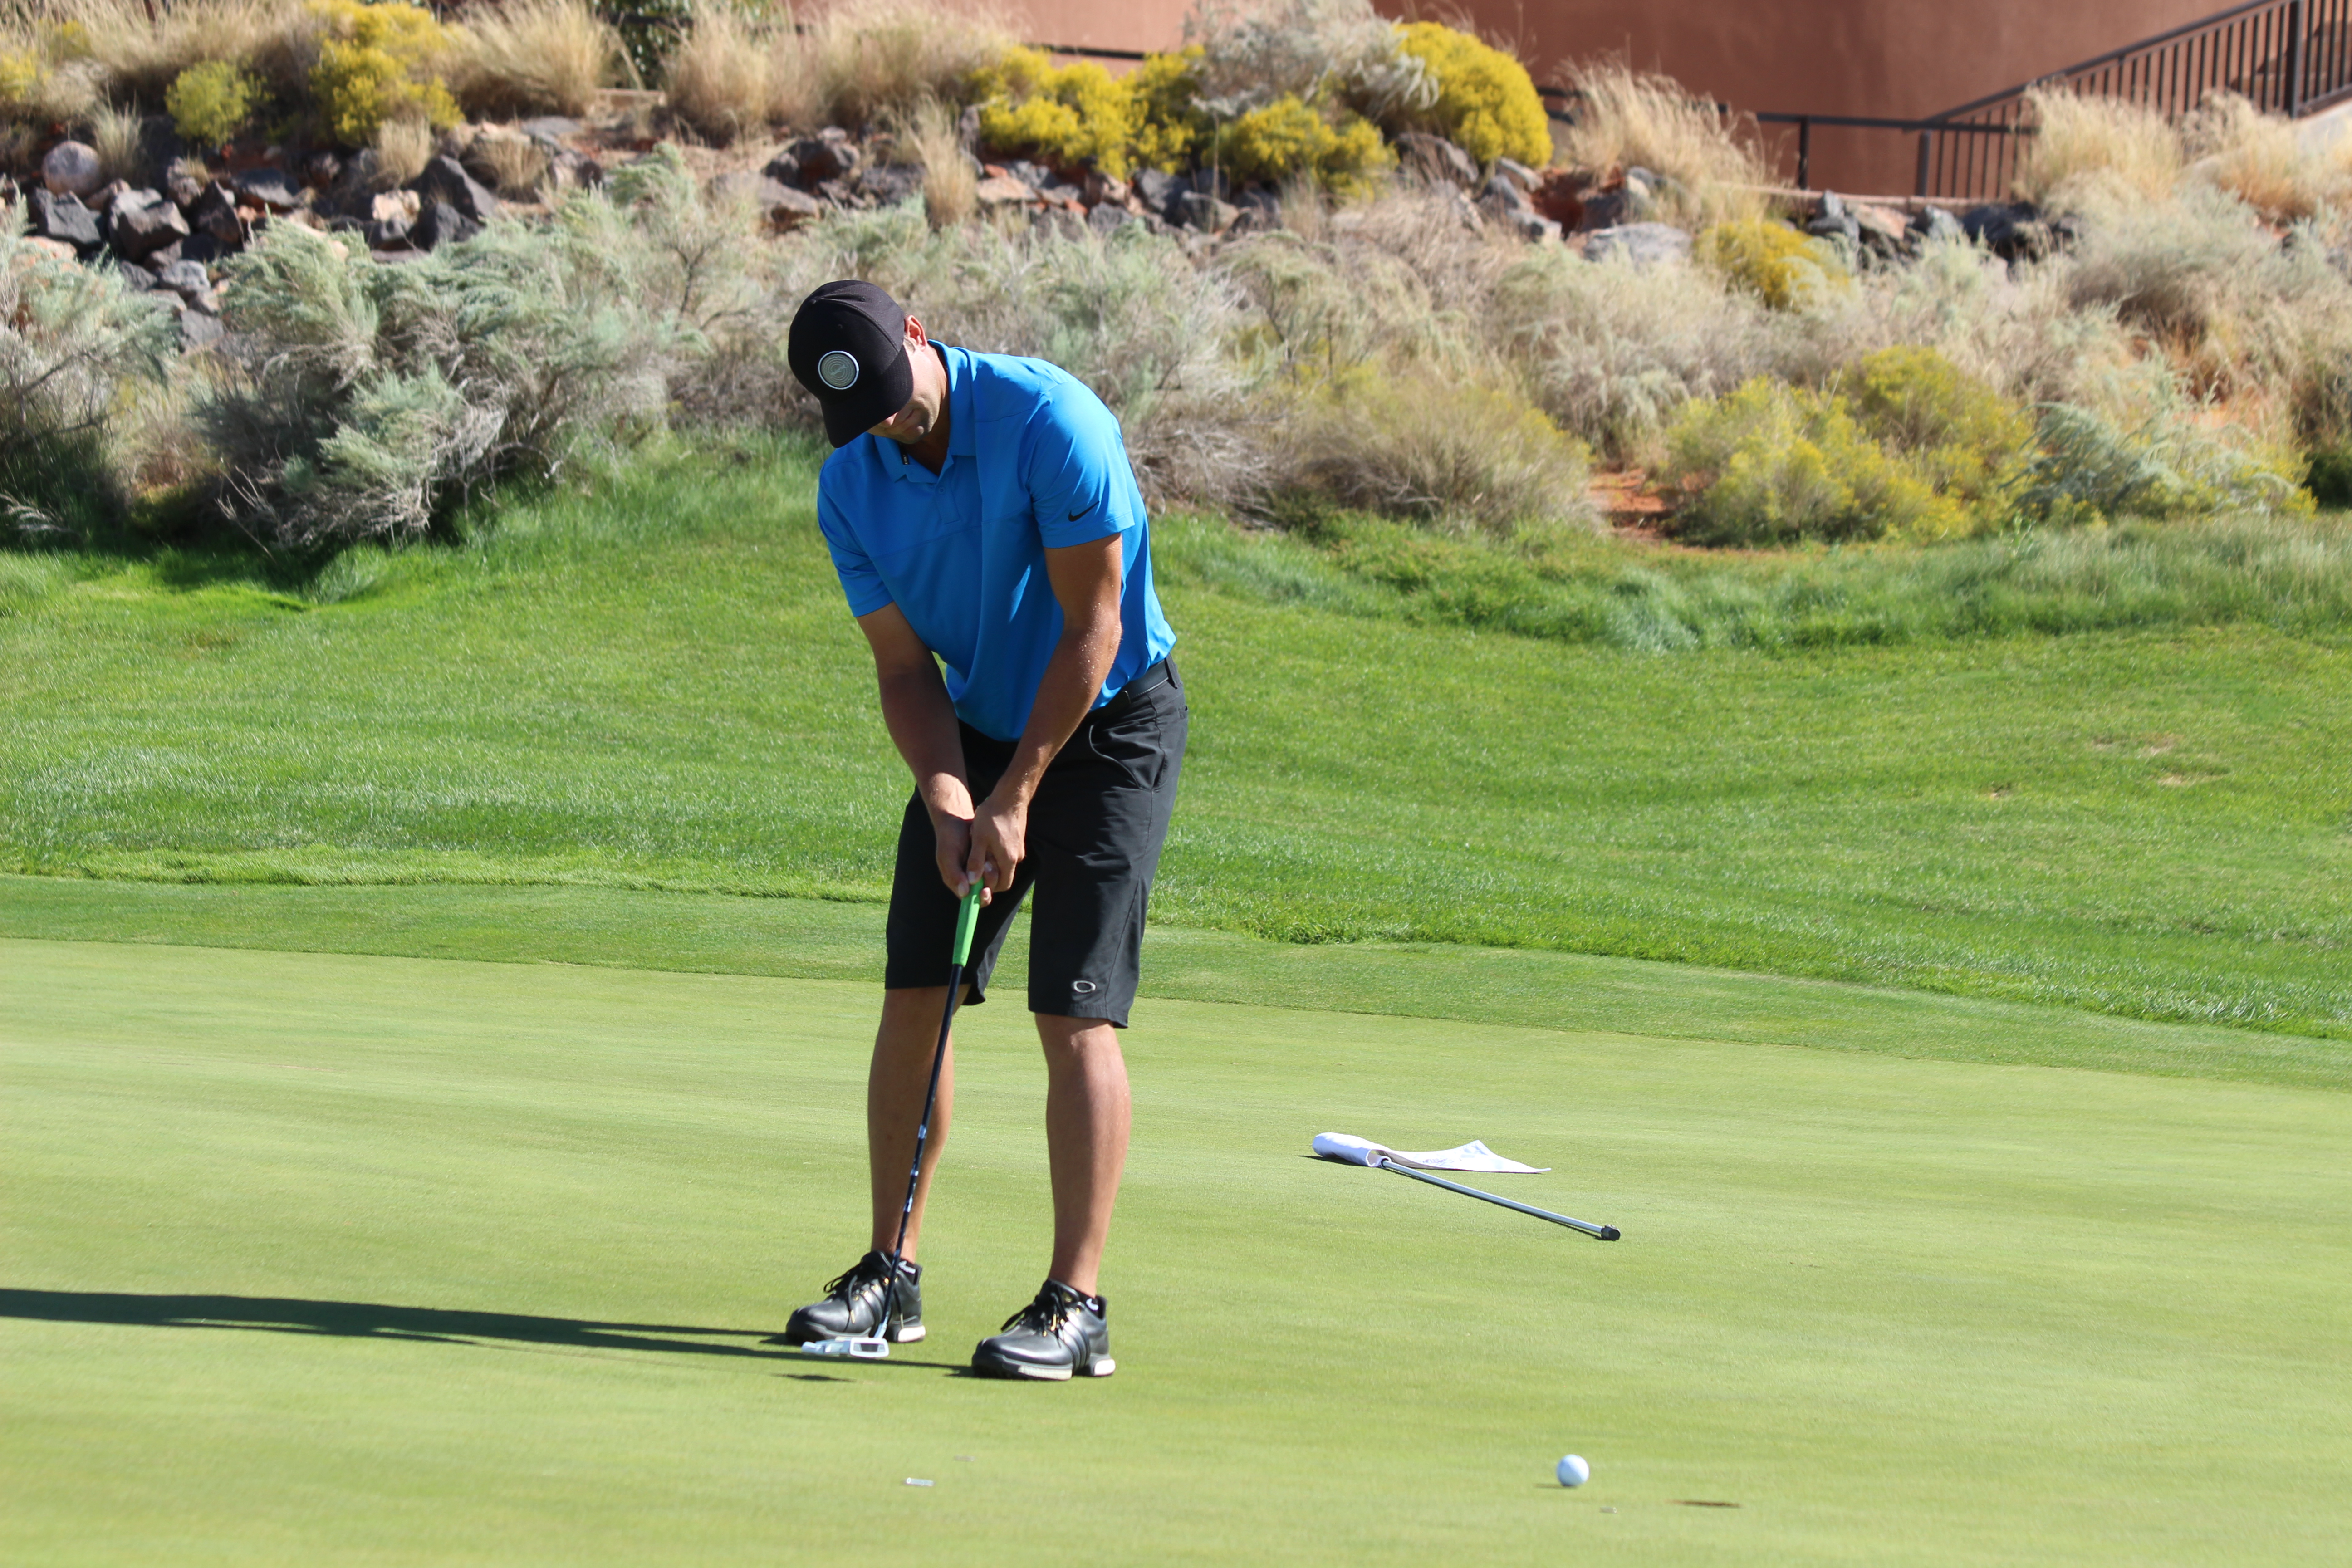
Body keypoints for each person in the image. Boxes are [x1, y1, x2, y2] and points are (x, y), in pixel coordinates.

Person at [777, 280, 1185, 1381]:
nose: (890, 427)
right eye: (861, 418)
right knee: (918, 991)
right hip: (975, 730)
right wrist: (953, 798)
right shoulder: (849, 487)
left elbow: (1092, 629)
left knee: (1073, 1011)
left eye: (899, 398)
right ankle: (889, 1274)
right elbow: (905, 670)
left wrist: (1018, 798)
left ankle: (1076, 1305)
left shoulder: (1053, 421)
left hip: (1108, 725)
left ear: (920, 335)